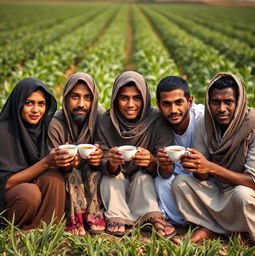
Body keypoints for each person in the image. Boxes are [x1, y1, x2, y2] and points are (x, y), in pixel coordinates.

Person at [172, 73, 255, 244]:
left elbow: (253, 182)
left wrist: (210, 167)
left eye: (229, 102)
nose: (222, 108)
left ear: (239, 102)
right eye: (215, 102)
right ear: (208, 103)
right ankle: (230, 230)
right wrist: (196, 166)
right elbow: (202, 176)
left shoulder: (253, 126)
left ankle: (211, 229)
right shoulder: (205, 123)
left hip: (244, 193)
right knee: (180, 183)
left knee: (243, 195)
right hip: (219, 190)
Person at [95, 71, 176, 237]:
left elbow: (165, 166)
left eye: (137, 98)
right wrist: (111, 162)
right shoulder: (105, 121)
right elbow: (101, 162)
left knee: (142, 178)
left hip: (145, 178)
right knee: (111, 179)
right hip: (116, 177)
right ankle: (118, 216)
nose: (130, 104)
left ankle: (150, 214)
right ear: (115, 99)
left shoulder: (157, 120)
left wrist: (151, 161)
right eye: (124, 98)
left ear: (145, 98)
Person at [0, 78, 65, 229]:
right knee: (29, 193)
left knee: (54, 178)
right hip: (8, 199)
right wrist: (46, 162)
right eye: (29, 103)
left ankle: (44, 230)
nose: (36, 110)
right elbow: (5, 183)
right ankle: (11, 230)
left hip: (30, 192)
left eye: (41, 104)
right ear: (18, 104)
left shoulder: (44, 129)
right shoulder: (4, 132)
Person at [48, 72, 105, 236]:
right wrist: (64, 161)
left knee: (93, 172)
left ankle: (94, 215)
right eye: (75, 97)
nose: (81, 103)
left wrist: (98, 158)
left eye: (87, 98)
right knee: (71, 174)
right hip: (65, 174)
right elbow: (50, 160)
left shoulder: (100, 118)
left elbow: (108, 155)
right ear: (66, 98)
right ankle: (74, 219)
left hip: (91, 172)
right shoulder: (56, 124)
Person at [154, 76, 204, 226]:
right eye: (166, 104)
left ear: (190, 102)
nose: (173, 110)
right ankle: (183, 221)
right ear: (158, 105)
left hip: (203, 178)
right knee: (160, 182)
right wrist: (162, 164)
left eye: (179, 102)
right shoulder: (158, 124)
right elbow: (165, 172)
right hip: (176, 177)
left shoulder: (203, 119)